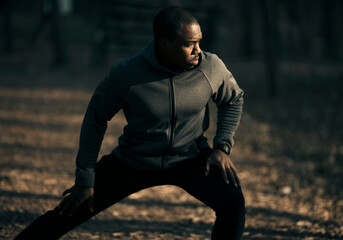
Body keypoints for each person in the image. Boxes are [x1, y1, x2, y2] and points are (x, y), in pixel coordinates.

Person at [15, 6, 245, 240]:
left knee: (233, 203)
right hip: (135, 160)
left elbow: (234, 98)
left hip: (190, 158)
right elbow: (95, 119)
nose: (198, 50)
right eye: (189, 44)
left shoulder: (210, 66)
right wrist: (85, 177)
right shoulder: (127, 74)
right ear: (164, 43)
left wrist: (221, 147)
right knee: (72, 208)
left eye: (199, 42)